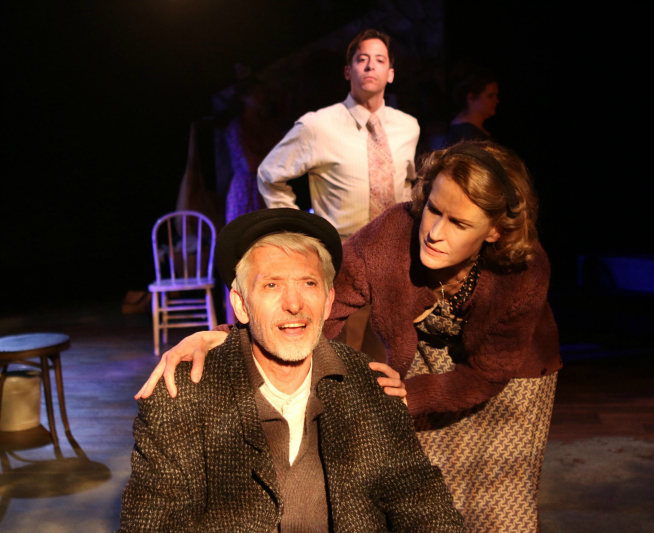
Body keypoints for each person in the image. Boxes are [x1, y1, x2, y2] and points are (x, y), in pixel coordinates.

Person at [137, 141, 562, 531]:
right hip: (429, 359)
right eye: (434, 209)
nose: (435, 232)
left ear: (494, 231)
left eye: (459, 223)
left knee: (499, 500)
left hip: (510, 380)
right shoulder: (392, 235)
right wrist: (229, 334)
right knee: (425, 484)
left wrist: (416, 395)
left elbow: (489, 372)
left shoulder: (523, 271)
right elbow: (318, 304)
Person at [120, 209, 465, 532]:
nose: (295, 303)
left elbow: (425, 507)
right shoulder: (181, 400)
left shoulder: (372, 389)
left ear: (329, 301)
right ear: (241, 304)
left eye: (308, 283)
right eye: (272, 285)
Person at [258, 28, 419, 241]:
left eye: (380, 60)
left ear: (391, 74)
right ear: (348, 71)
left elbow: (407, 184)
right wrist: (298, 231)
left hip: (395, 248)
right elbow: (269, 175)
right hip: (343, 253)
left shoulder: (408, 126)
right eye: (362, 59)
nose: (370, 66)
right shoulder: (317, 125)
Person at [224, 76, 280, 224]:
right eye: (255, 93)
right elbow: (250, 164)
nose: (260, 97)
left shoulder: (266, 125)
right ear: (243, 98)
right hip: (247, 189)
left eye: (261, 92)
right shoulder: (238, 126)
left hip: (268, 186)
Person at [446, 68, 499, 145]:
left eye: (496, 95)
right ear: (471, 98)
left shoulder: (471, 130)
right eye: (490, 96)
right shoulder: (467, 135)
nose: (496, 101)